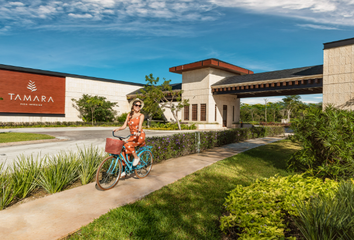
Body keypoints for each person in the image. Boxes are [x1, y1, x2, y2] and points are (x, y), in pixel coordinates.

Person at [114, 98, 146, 170]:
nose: (138, 106)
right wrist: (118, 129)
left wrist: (139, 132)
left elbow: (140, 124)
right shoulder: (129, 115)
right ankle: (124, 169)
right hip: (132, 136)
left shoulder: (141, 115)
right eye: (136, 105)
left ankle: (136, 158)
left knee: (128, 144)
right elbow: (125, 125)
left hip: (139, 136)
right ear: (133, 106)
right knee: (124, 149)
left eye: (139, 105)